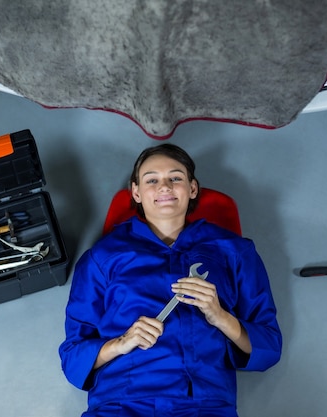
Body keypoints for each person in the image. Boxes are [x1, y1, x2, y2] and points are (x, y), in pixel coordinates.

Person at [59, 144, 282, 417]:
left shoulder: (235, 251)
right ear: (137, 193)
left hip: (205, 405)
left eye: (175, 178)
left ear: (192, 189)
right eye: (152, 180)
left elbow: (269, 347)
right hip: (121, 403)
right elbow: (73, 359)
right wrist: (122, 342)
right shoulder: (102, 258)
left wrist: (220, 316)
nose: (164, 187)